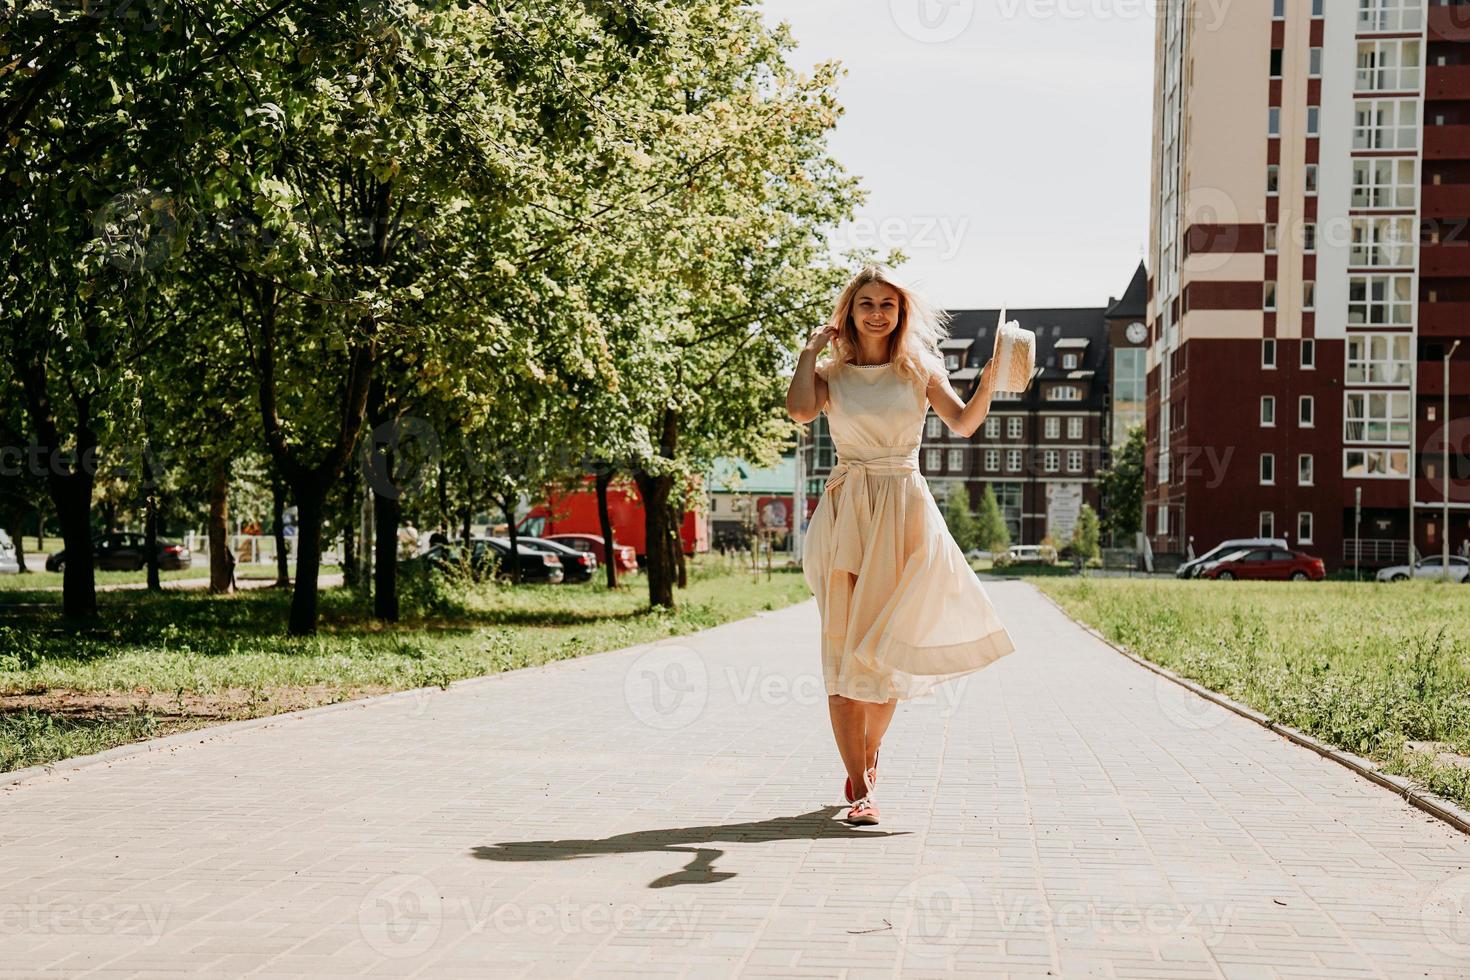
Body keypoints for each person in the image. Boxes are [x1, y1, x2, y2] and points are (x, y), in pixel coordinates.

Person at [786, 264, 1017, 826]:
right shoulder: (833, 373)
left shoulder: (919, 369)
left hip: (905, 510)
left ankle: (867, 756)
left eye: (887, 304)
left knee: (889, 649)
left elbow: (962, 424)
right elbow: (798, 411)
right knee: (843, 651)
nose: (876, 312)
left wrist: (986, 382)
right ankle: (861, 789)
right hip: (846, 514)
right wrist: (810, 352)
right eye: (866, 302)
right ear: (851, 310)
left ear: (900, 313)